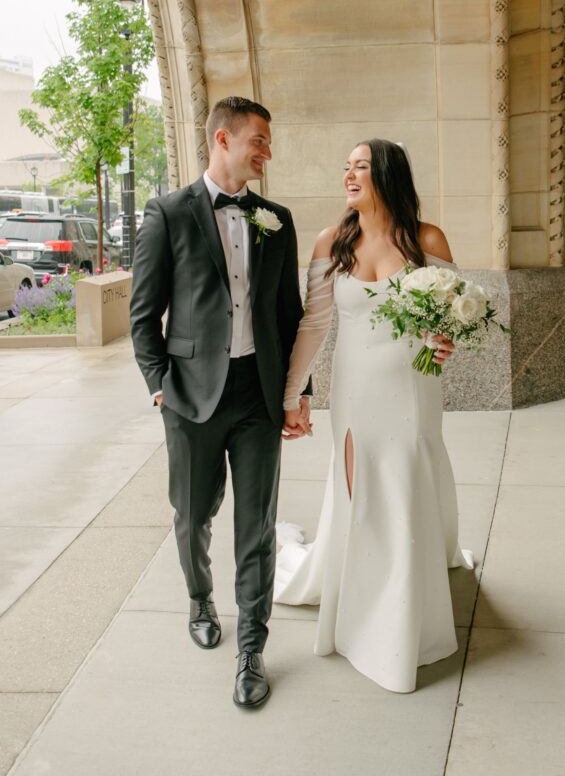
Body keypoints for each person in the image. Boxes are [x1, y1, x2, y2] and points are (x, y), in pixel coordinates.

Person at [129, 96, 311, 710]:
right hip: (189, 397)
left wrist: (297, 395)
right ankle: (200, 598)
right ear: (222, 140)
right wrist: (160, 385)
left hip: (258, 395)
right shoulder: (168, 213)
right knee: (192, 514)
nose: (267, 151)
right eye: (258, 139)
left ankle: (251, 649)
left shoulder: (276, 219)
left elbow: (290, 317)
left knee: (256, 525)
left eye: (268, 140)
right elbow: (142, 314)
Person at [276, 138, 474, 694]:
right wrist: (293, 394)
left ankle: (405, 607)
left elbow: (455, 312)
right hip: (355, 391)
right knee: (357, 490)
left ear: (386, 174)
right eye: (346, 167)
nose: (349, 174)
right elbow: (313, 327)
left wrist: (445, 339)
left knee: (406, 484)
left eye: (360, 166)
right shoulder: (330, 241)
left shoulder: (426, 239)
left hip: (413, 388)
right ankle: (359, 602)